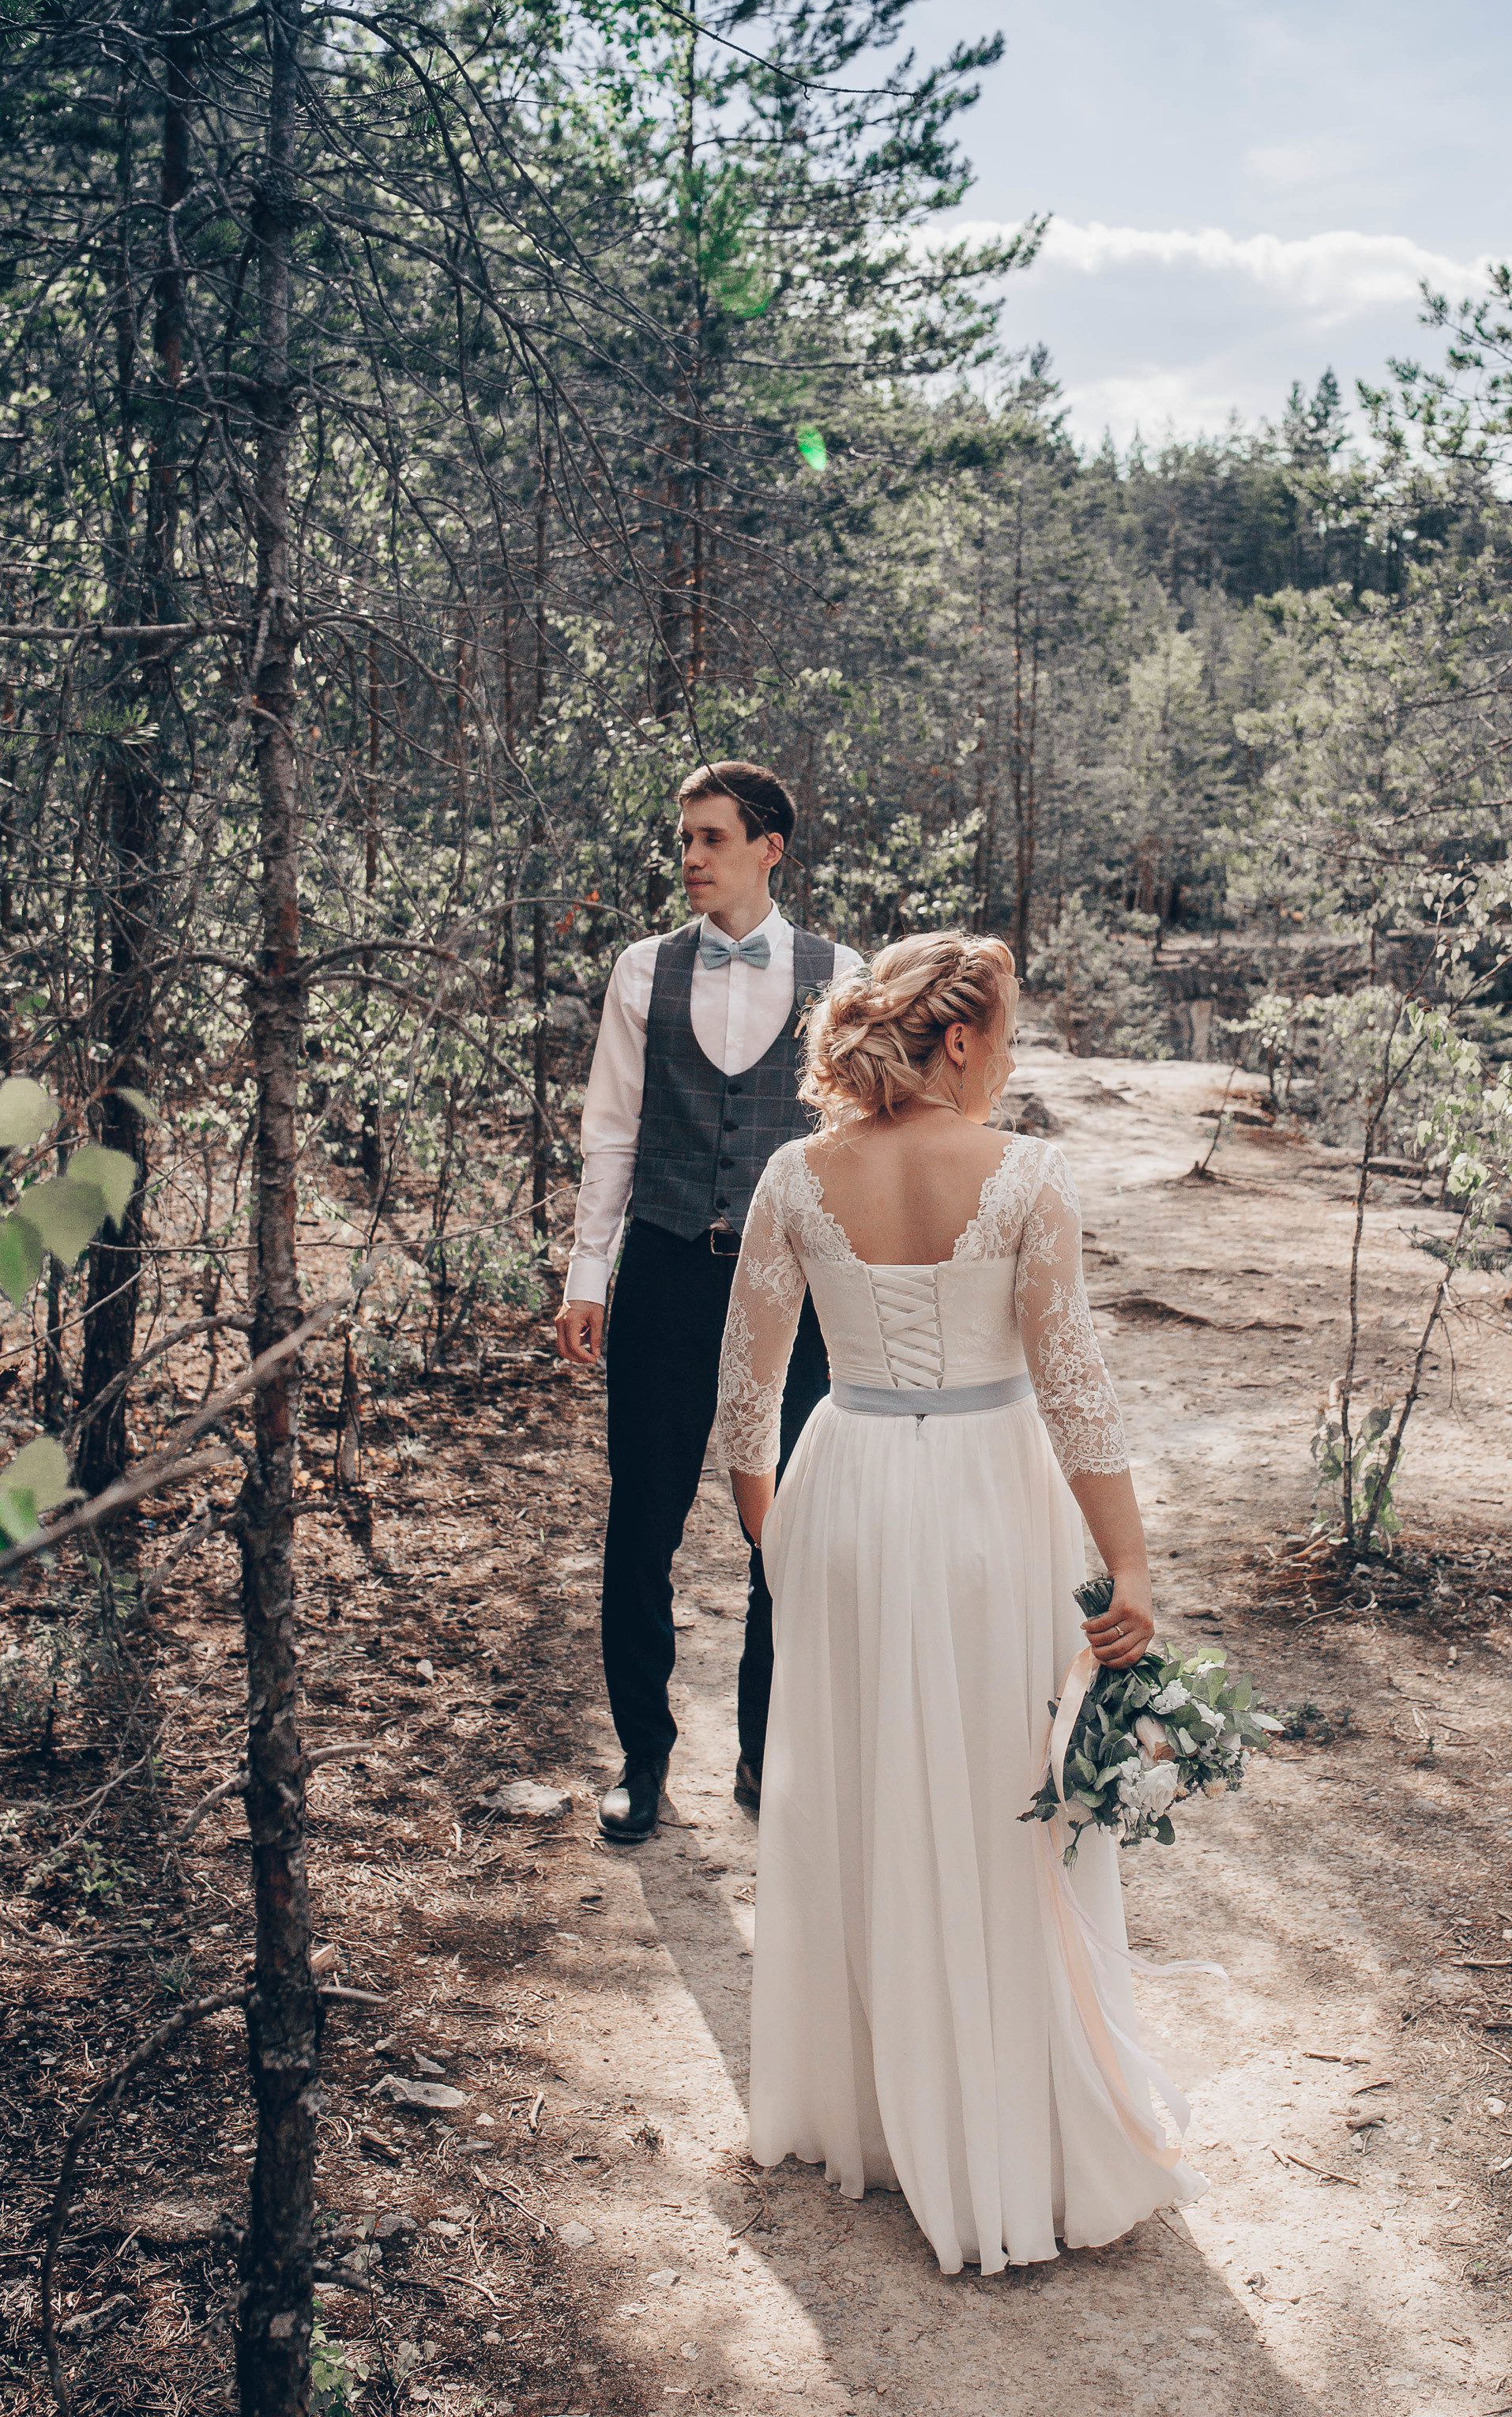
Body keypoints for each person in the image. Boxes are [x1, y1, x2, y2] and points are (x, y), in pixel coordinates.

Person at [717, 931, 1202, 2275]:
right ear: (964, 1044)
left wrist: (782, 1535)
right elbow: (1077, 1390)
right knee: (1005, 1804)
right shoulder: (1028, 1175)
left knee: (867, 1787)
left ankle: (867, 2108)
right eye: (1007, 1044)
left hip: (849, 1493)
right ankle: (1011, 2114)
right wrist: (1133, 1571)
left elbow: (745, 1399)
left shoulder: (794, 1177)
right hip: (996, 1499)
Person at [555, 761, 861, 1845]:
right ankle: (642, 1759)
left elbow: (859, 1148)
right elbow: (611, 1135)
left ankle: (764, 1752)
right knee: (641, 1524)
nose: (690, 857)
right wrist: (588, 1276)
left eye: (712, 838)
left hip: (798, 1289)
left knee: (789, 1524)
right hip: (669, 1270)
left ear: (769, 846)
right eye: (684, 838)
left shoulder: (845, 975)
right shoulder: (643, 971)